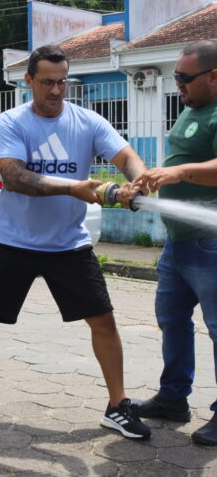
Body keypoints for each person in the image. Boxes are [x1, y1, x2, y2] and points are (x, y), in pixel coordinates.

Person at [0, 44, 152, 440]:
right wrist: (76, 187)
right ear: (29, 81)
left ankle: (117, 406)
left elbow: (126, 156)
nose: (56, 91)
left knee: (104, 321)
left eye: (61, 82)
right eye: (47, 83)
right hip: (13, 241)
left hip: (68, 244)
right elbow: (18, 177)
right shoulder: (13, 121)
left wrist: (136, 180)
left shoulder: (87, 121)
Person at [131, 40, 217, 445]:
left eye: (185, 77)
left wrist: (179, 172)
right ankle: (173, 398)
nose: (177, 83)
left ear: (214, 76)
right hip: (178, 244)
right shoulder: (191, 109)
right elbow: (180, 161)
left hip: (211, 245)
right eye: (176, 76)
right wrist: (154, 176)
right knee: (172, 321)